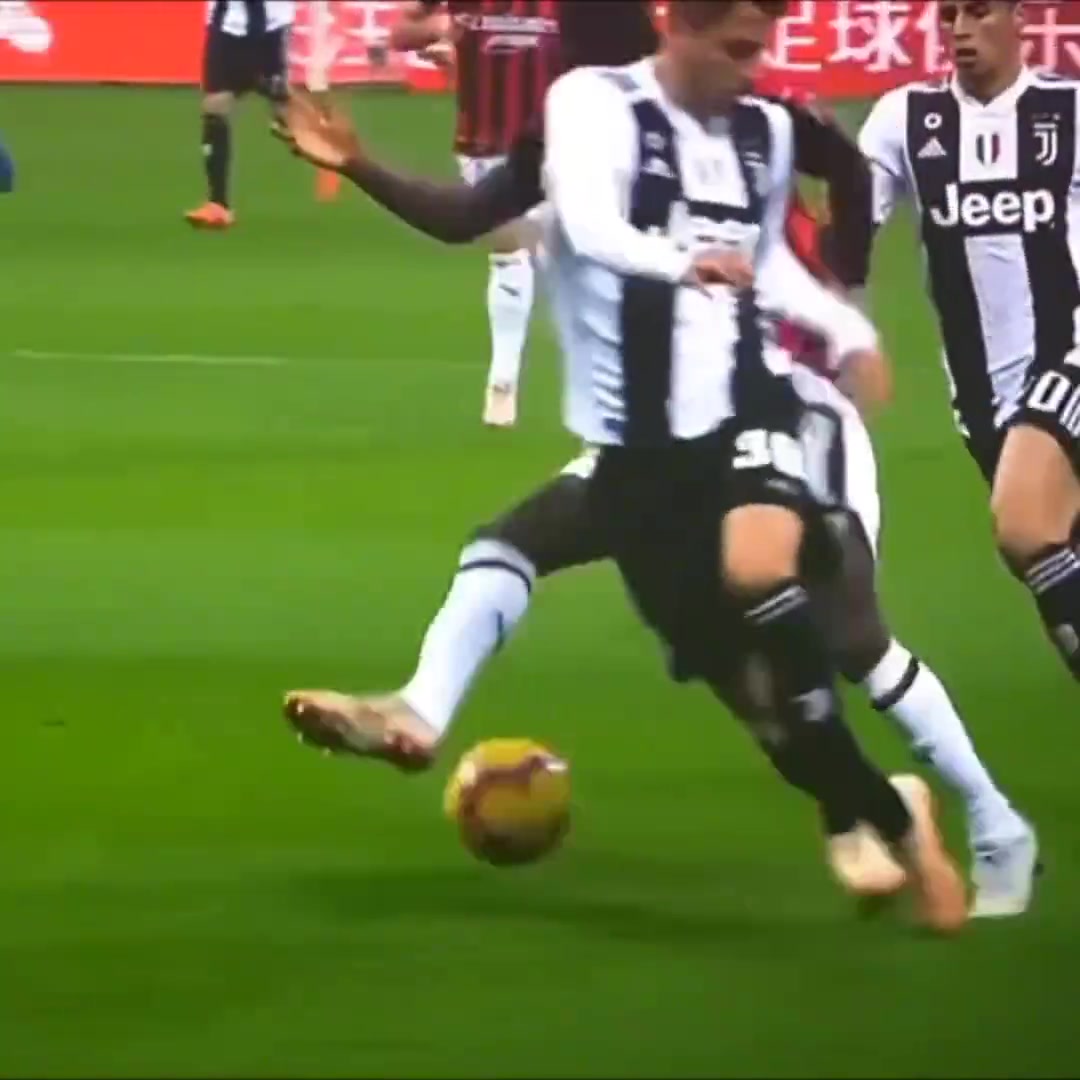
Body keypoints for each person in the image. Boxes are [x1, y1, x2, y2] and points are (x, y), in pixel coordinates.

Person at [276, 1, 1035, 918]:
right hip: (647, 445)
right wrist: (360, 165)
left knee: (841, 631)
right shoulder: (582, 125)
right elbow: (486, 216)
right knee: (721, 671)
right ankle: (870, 808)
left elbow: (838, 176)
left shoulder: (758, 119)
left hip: (783, 401)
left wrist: (844, 306)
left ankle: (993, 823)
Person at [857, 0, 1080, 683]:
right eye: (949, 14)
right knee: (1049, 555)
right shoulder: (905, 119)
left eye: (978, 12)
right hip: (985, 396)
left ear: (1018, 18)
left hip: (1069, 355)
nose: (959, 29)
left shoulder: (1069, 110)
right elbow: (850, 235)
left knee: (1024, 524)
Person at [389, 1, 562, 427]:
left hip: (559, 139)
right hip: (486, 141)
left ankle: (593, 392)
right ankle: (503, 382)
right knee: (510, 250)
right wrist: (444, 29)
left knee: (561, 261)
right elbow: (403, 33)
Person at [185, 0, 296, 230]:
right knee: (215, 106)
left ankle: (341, 161)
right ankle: (218, 204)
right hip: (227, 27)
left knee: (284, 114)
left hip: (271, 27)